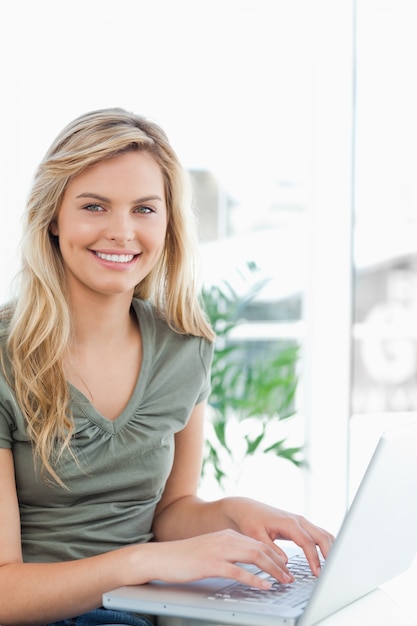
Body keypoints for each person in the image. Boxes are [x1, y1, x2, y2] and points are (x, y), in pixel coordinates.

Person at [0, 108, 334, 626]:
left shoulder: (186, 347)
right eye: (94, 206)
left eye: (144, 209)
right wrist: (143, 562)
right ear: (52, 217)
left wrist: (234, 513)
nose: (121, 231)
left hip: (146, 609)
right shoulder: (5, 357)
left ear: (168, 222)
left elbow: (172, 510)